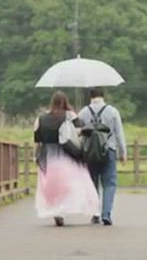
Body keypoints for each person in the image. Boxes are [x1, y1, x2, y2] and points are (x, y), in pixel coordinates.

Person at [33, 91, 100, 226]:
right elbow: (79, 131)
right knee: (71, 183)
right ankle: (68, 208)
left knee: (52, 187)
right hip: (66, 154)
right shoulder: (70, 116)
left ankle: (57, 212)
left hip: (47, 155)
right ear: (65, 102)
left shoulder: (40, 118)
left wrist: (36, 156)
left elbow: (37, 141)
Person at [78, 87, 126, 226]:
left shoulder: (83, 112)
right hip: (108, 150)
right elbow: (119, 133)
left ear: (90, 97)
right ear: (103, 96)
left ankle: (95, 213)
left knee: (92, 182)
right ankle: (106, 214)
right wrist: (123, 153)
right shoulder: (112, 111)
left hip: (89, 152)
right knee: (109, 183)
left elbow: (77, 132)